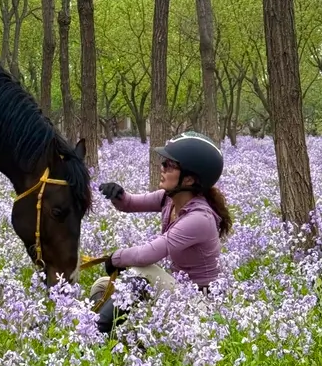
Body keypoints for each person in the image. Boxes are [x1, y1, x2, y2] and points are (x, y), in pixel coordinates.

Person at [90, 131, 232, 334]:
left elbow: (146, 255)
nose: (162, 168)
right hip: (177, 294)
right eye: (164, 162)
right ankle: (105, 334)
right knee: (102, 286)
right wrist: (118, 195)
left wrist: (115, 258)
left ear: (190, 179)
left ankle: (94, 335)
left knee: (143, 270)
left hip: (200, 306)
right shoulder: (168, 199)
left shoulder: (200, 218)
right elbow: (130, 203)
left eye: (169, 165)